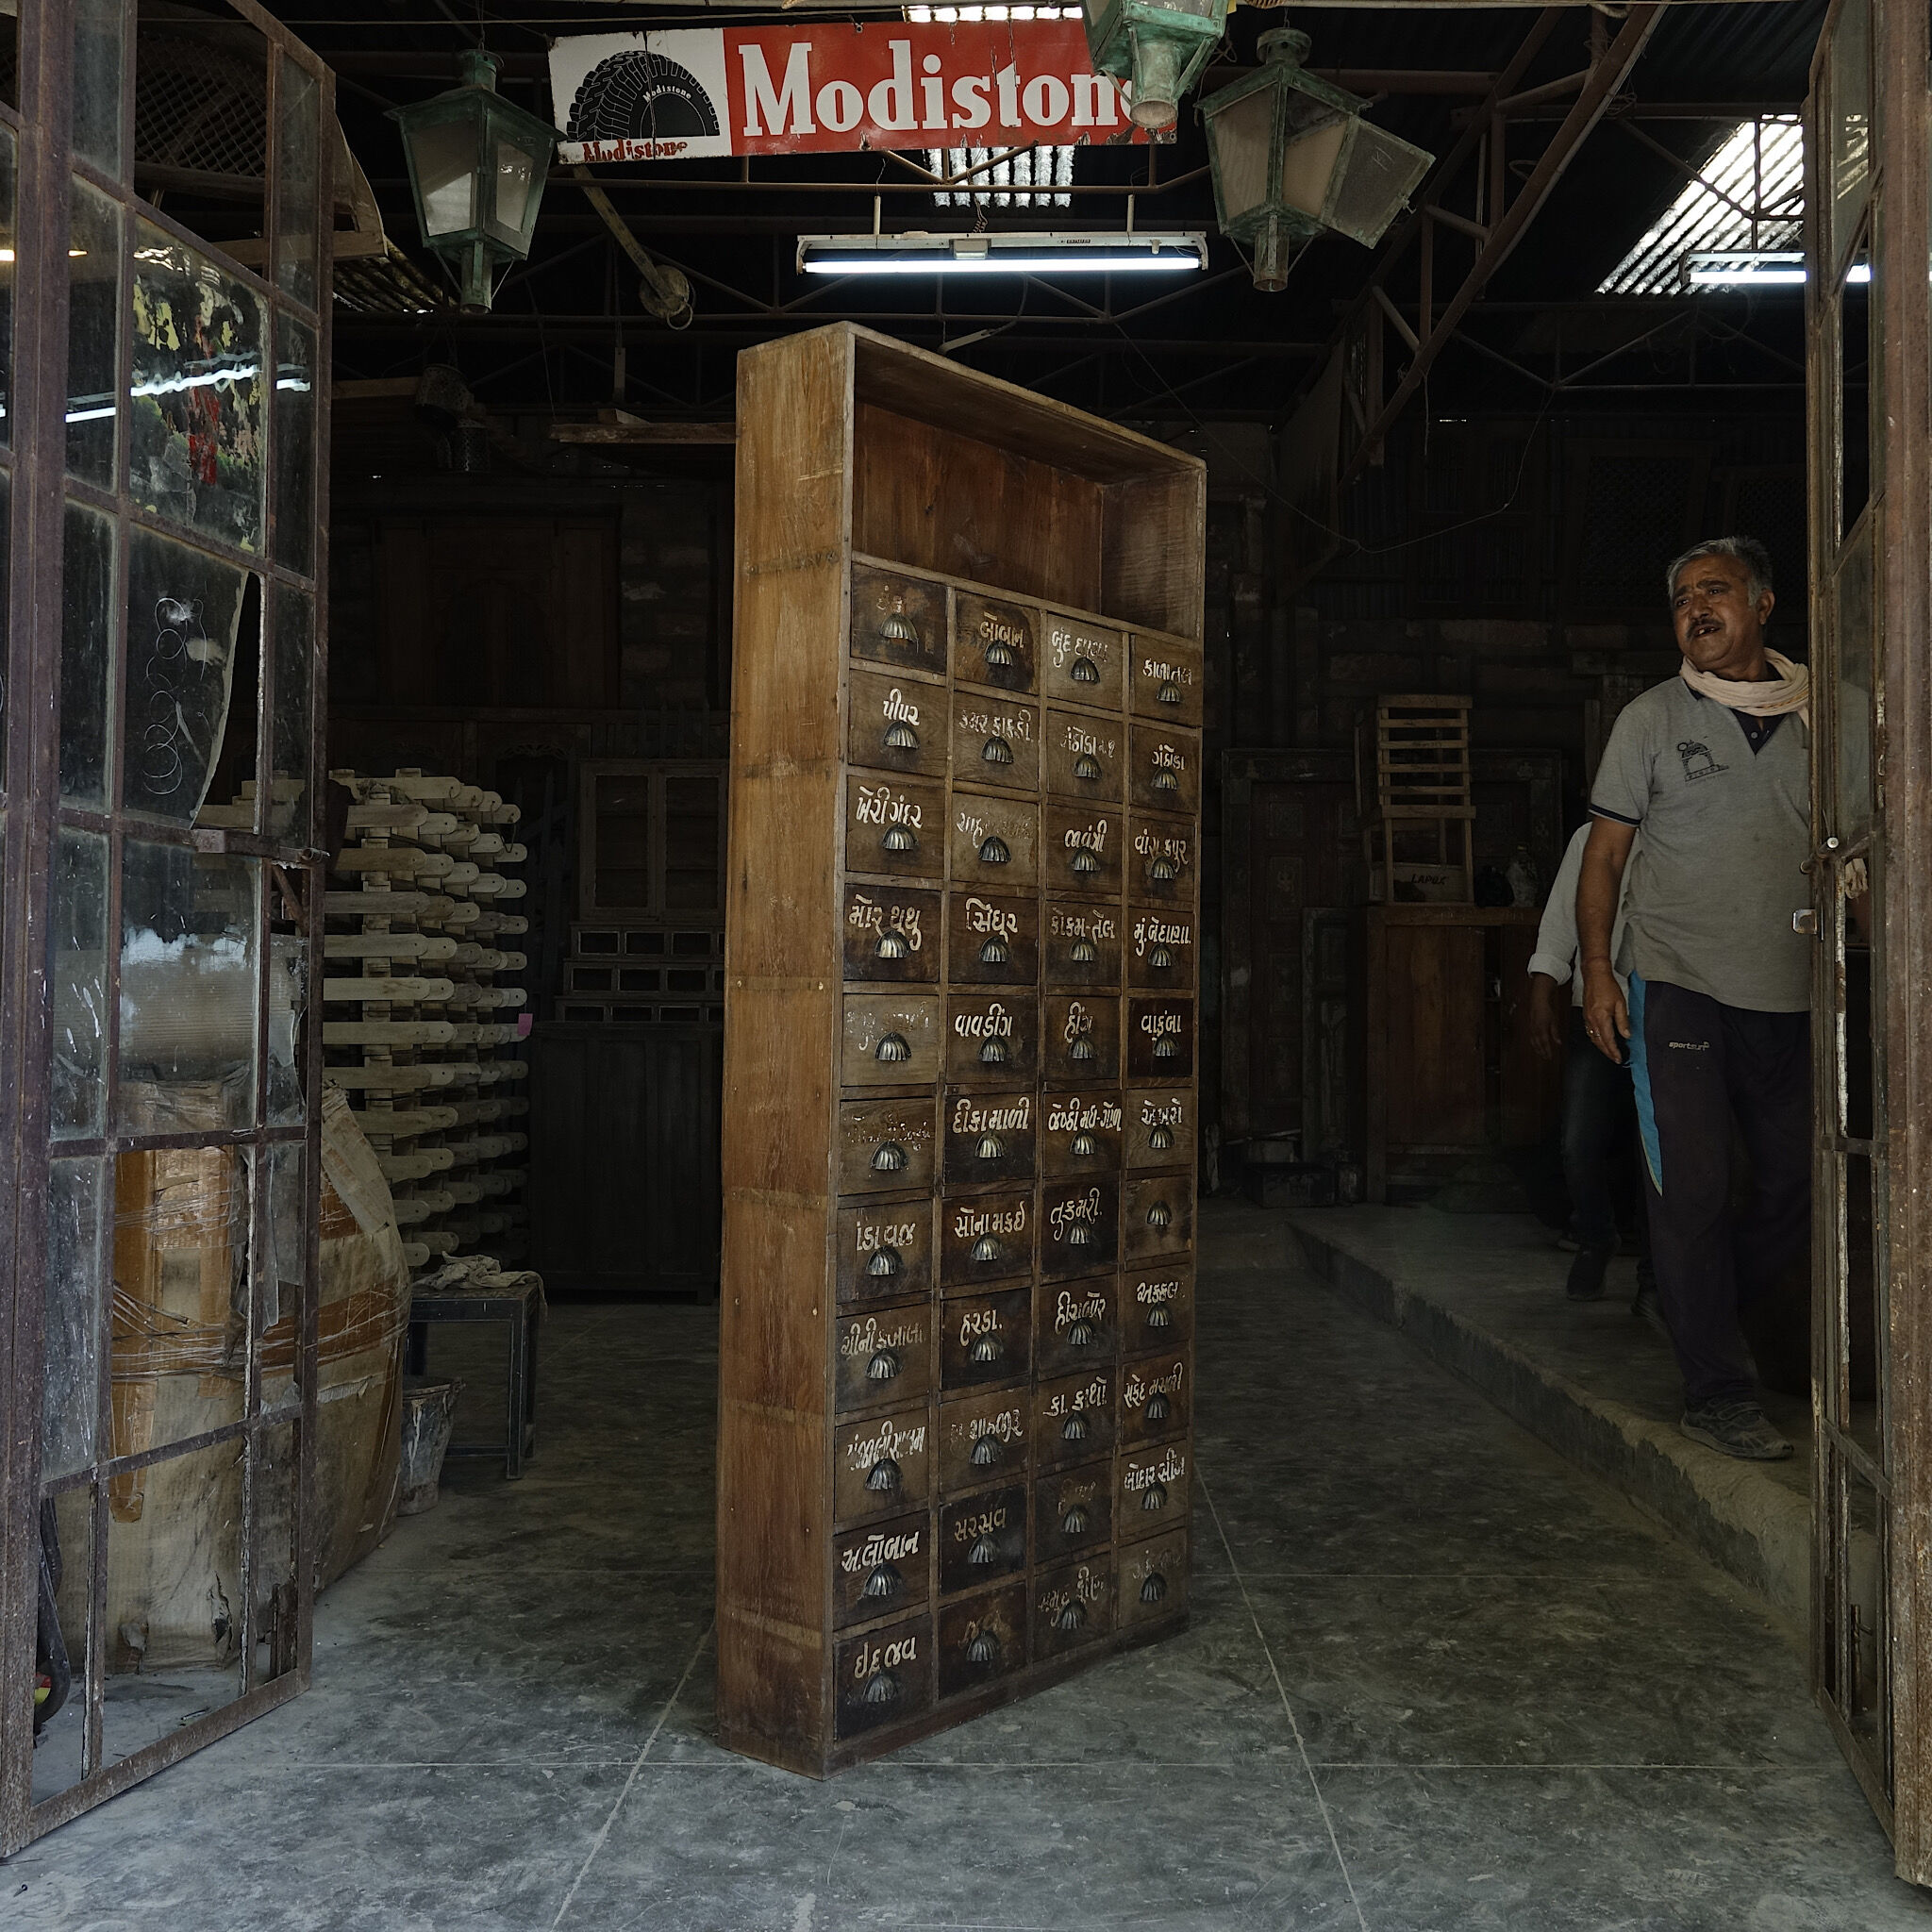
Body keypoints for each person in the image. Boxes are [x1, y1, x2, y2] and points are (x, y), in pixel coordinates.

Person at [1576, 535, 1811, 1462]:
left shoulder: (1831, 717)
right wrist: (1597, 970)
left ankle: (1692, 1299)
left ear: (1760, 602)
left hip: (1789, 991)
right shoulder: (1648, 718)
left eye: (1710, 591)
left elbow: (1861, 854)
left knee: (1793, 1183)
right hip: (1673, 985)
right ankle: (1715, 1387)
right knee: (1691, 1191)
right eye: (1678, 599)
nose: (1692, 610)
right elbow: (1603, 855)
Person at [1526, 823, 1654, 1309]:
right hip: (1597, 1006)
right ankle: (1596, 1236)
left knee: (1657, 1147)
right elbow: (1561, 917)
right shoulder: (1590, 837)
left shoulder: (1692, 822)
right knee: (1580, 1141)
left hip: (1670, 1007)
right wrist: (1543, 988)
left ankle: (1655, 1275)